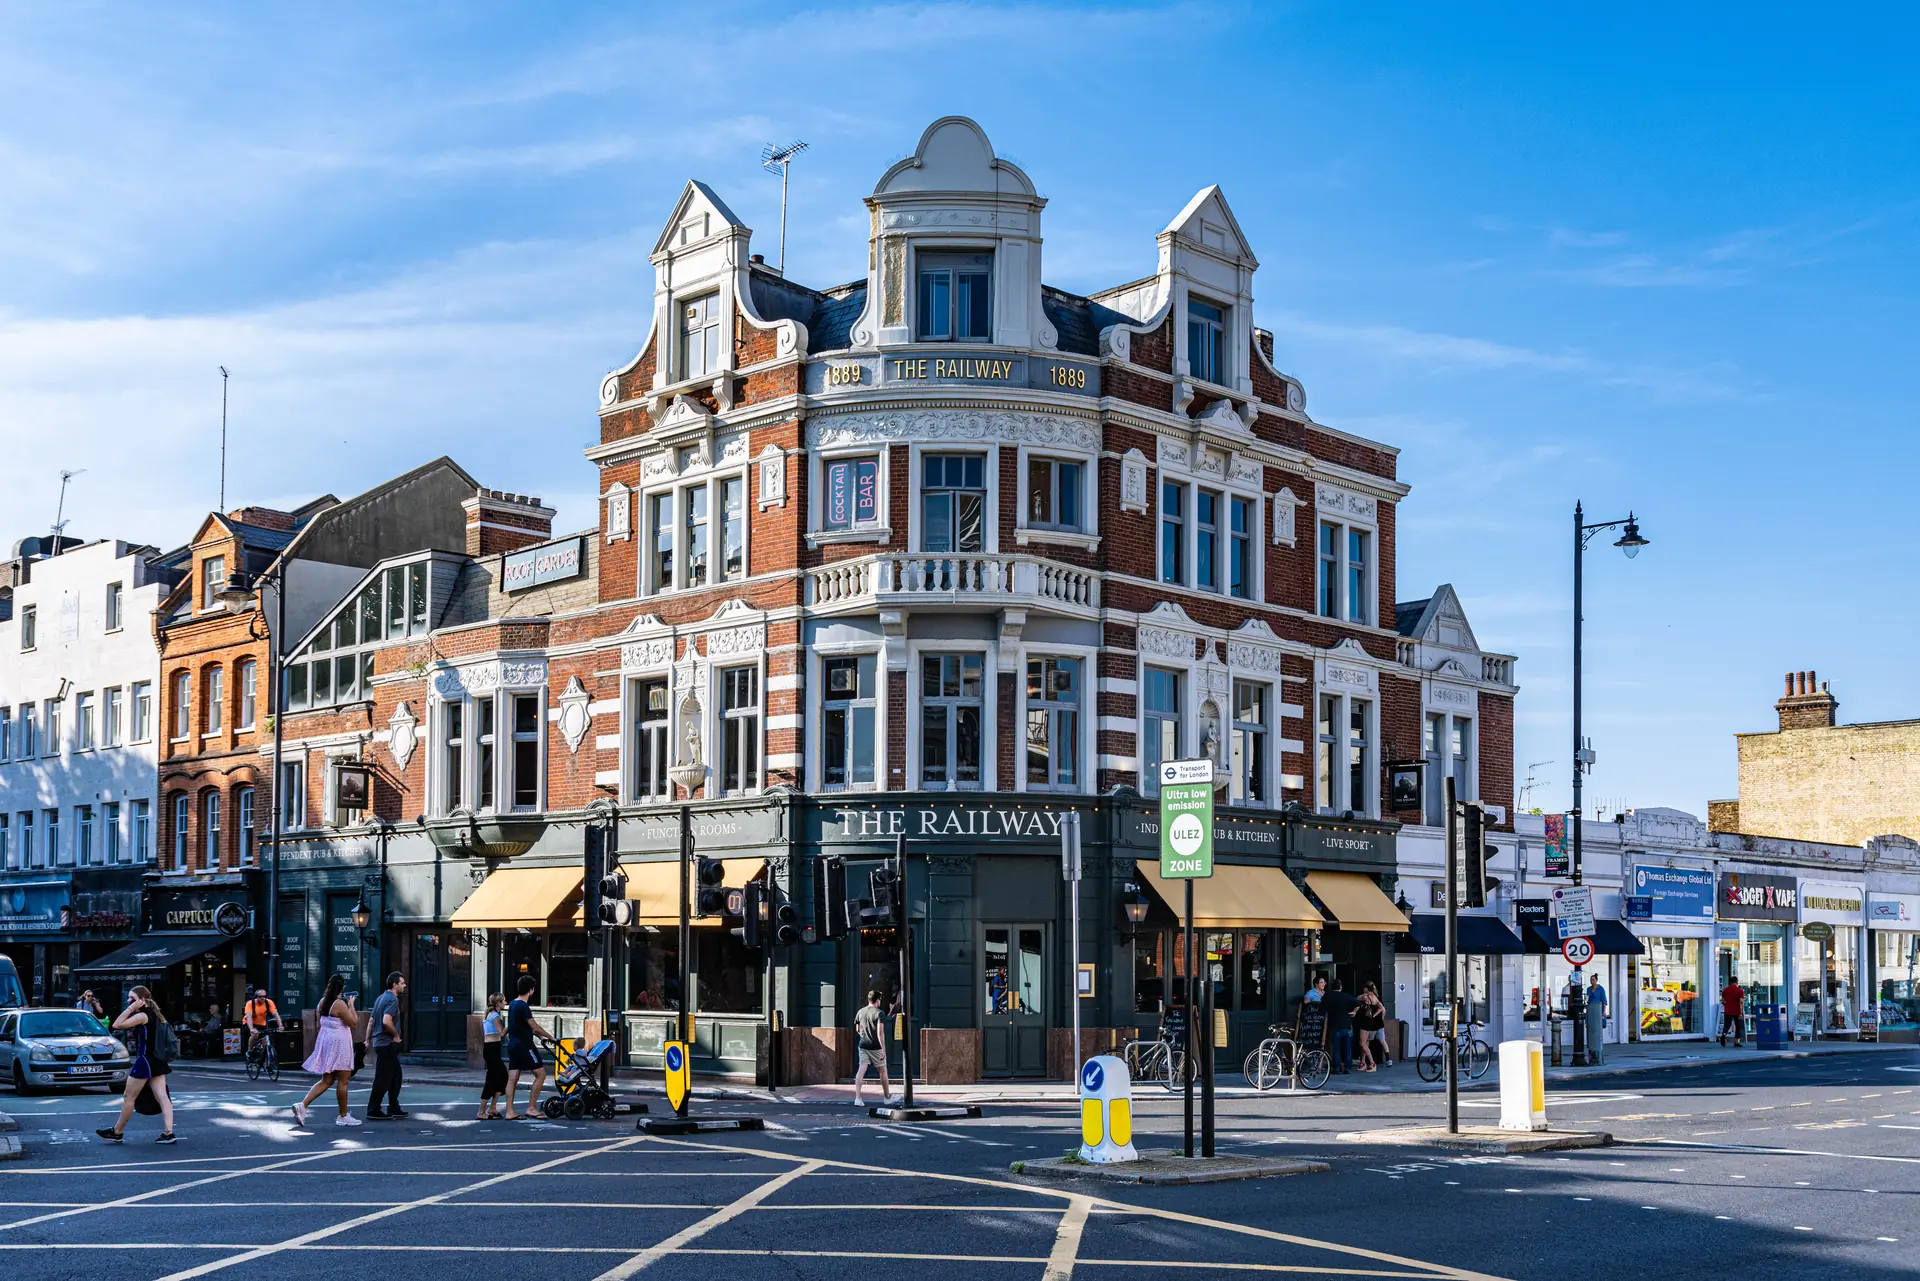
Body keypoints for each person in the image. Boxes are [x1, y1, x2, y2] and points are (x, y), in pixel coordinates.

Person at [98, 986, 175, 1144]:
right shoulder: (156, 1014)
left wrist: (131, 1008)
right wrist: (133, 1006)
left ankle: (117, 1132)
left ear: (142, 1000)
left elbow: (117, 1024)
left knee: (128, 1096)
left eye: (132, 998)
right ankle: (169, 1133)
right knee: (162, 1096)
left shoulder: (142, 1015)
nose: (128, 1001)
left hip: (145, 1061)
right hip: (157, 1060)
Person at [293, 975, 361, 1128]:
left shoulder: (322, 1002)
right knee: (344, 1080)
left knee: (327, 1080)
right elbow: (354, 1023)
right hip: (339, 1043)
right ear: (341, 988)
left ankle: (302, 1105)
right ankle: (343, 1116)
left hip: (326, 1041)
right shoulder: (340, 1004)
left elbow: (320, 1022)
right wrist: (351, 1004)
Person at [503, 974, 553, 1119]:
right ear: (531, 990)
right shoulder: (523, 1006)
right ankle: (531, 1108)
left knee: (513, 1077)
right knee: (541, 1074)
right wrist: (550, 1036)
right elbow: (534, 1026)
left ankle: (509, 1111)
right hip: (525, 1046)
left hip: (513, 1044)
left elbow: (522, 1026)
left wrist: (540, 1037)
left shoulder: (512, 1004)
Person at [366, 971, 408, 1120]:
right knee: (382, 1078)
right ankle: (373, 1109)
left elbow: (371, 1022)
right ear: (395, 984)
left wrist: (368, 1039)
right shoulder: (392, 1000)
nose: (404, 985)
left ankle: (393, 1107)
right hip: (386, 1044)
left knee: (396, 1076)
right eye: (402, 983)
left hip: (380, 1043)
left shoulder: (380, 998)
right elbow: (386, 1021)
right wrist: (396, 1036)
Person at [852, 989, 895, 1106]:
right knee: (883, 1070)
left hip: (863, 1045)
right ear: (877, 1000)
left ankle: (858, 1098)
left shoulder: (860, 1012)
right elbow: (880, 1033)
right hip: (875, 1047)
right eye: (880, 999)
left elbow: (857, 1029)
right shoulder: (879, 1013)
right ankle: (887, 1097)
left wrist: (864, 1036)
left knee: (861, 1070)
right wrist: (883, 1049)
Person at [478, 994, 509, 1120]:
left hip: (492, 1048)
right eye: (504, 1001)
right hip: (492, 1050)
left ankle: (492, 1107)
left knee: (503, 1076)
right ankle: (481, 1111)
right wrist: (511, 1024)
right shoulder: (495, 1015)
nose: (506, 1003)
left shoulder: (490, 1014)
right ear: (498, 1003)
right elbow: (501, 1033)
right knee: (492, 1079)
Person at [1321, 979, 1359, 1075]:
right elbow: (1358, 1002)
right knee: (1347, 1047)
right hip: (1347, 1024)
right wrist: (1354, 1012)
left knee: (1336, 1048)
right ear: (1340, 987)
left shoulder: (1327, 996)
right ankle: (1347, 1068)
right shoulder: (1345, 996)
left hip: (1334, 1024)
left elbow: (1321, 1009)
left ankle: (1336, 1068)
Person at [242, 986, 283, 1063]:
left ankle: (261, 1059)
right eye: (260, 997)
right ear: (256, 997)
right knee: (255, 1035)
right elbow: (249, 1017)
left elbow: (276, 1014)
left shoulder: (269, 1002)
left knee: (265, 1042)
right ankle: (250, 1051)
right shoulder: (250, 1003)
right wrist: (252, 1029)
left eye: (264, 996)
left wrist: (280, 1025)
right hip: (249, 1023)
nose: (262, 998)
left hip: (261, 1023)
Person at [1355, 982, 1390, 1070]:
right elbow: (1382, 1008)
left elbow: (1356, 999)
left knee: (1363, 1043)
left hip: (1366, 1020)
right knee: (1366, 1042)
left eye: (1364, 988)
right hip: (1371, 1021)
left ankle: (1370, 1062)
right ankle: (1364, 1062)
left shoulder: (1365, 996)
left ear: (1366, 988)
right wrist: (1379, 1016)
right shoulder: (1374, 997)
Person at [1586, 974, 1609, 1065]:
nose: (1592, 981)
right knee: (1590, 1028)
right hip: (1590, 1009)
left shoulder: (1601, 989)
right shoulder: (1588, 989)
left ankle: (1597, 1049)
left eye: (1593, 979)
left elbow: (1604, 1001)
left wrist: (1604, 1011)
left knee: (1597, 1028)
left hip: (1598, 1009)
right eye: (1591, 979)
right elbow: (1587, 999)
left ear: (1596, 980)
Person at [1719, 977, 1747, 1048]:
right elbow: (1741, 1002)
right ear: (1737, 982)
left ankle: (1724, 1034)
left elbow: (1722, 1001)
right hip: (1737, 1011)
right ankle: (1736, 1042)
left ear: (1730, 982)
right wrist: (1741, 1012)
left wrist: (1726, 1005)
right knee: (1738, 1026)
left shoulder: (1725, 990)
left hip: (1727, 1010)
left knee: (1726, 1025)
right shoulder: (1740, 991)